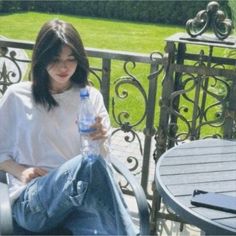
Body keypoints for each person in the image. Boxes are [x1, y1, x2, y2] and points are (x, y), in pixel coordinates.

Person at [0, 19, 137, 235]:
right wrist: (21, 171)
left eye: (71, 59)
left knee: (93, 164)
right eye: (55, 59)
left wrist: (100, 140)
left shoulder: (90, 98)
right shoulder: (17, 96)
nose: (64, 67)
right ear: (41, 59)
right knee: (88, 164)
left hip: (77, 205)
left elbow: (102, 163)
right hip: (34, 201)